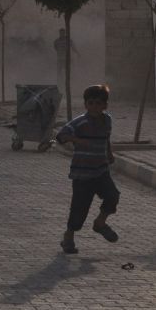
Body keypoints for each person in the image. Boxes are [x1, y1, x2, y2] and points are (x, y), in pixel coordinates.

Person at [54, 84, 119, 254]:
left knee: (113, 196)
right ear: (85, 105)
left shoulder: (107, 120)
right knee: (79, 207)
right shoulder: (79, 122)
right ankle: (68, 237)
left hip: (101, 170)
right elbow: (61, 135)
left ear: (105, 105)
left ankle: (100, 223)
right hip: (82, 173)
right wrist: (77, 140)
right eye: (91, 103)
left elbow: (106, 138)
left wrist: (109, 154)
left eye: (98, 103)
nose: (94, 107)